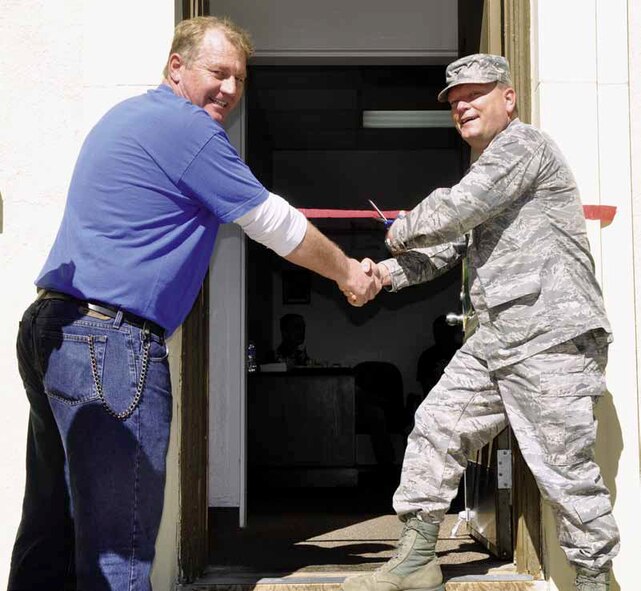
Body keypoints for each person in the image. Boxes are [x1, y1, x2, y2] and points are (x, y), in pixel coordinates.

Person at [9, 16, 380, 591]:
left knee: (50, 533)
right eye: (218, 72)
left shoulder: (126, 117)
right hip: (108, 345)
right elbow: (273, 223)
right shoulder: (187, 130)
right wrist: (348, 274)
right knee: (118, 554)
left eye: (240, 79)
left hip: (55, 331)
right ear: (176, 68)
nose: (231, 89)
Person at [344, 54, 619, 591]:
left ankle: (592, 579)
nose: (462, 106)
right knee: (436, 426)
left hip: (552, 336)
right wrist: (382, 275)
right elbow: (448, 246)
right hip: (498, 336)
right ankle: (417, 559)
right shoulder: (488, 169)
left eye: (475, 94)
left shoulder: (523, 148)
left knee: (565, 471)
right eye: (454, 100)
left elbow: (453, 211)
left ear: (508, 98)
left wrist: (400, 229)